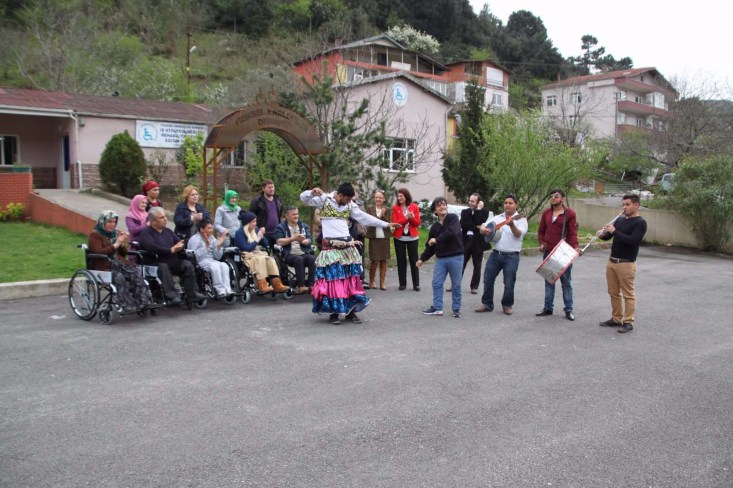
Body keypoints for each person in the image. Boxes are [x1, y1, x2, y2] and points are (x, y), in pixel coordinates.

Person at [301, 182, 400, 325]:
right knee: (333, 281)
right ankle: (334, 313)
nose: (349, 202)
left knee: (351, 281)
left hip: (348, 247)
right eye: (347, 199)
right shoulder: (324, 200)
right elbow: (303, 198)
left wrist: (385, 224)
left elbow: (364, 217)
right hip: (332, 248)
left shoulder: (349, 205)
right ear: (340, 195)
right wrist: (311, 192)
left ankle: (351, 312)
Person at [598, 194, 648, 333]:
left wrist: (615, 231)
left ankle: (628, 321)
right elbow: (609, 236)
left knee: (628, 294)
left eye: (627, 204)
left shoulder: (640, 223)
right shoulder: (619, 220)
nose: (624, 207)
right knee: (613, 292)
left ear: (636, 205)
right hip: (612, 261)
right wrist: (602, 234)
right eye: (623, 204)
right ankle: (616, 318)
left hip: (626, 263)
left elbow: (632, 240)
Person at [138, 207, 206, 307]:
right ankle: (172, 295)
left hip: (172, 261)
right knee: (163, 267)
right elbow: (152, 246)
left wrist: (180, 246)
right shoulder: (146, 233)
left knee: (187, 265)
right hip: (155, 263)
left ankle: (193, 293)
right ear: (153, 221)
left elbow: (179, 242)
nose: (165, 219)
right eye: (161, 217)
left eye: (165, 216)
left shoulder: (168, 231)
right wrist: (170, 250)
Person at [475, 194, 528, 316]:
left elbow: (518, 234)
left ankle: (507, 305)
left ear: (516, 205)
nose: (507, 205)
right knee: (488, 279)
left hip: (512, 256)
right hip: (495, 254)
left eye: (510, 203)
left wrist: (512, 225)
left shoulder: (521, 220)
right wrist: (482, 229)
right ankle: (487, 304)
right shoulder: (498, 217)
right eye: (505, 203)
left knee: (509, 283)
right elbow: (483, 226)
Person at [88, 210, 151, 311]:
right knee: (119, 277)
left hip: (119, 264)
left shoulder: (114, 233)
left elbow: (123, 254)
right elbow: (98, 252)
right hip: (104, 266)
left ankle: (143, 301)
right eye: (109, 222)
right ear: (103, 222)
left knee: (135, 273)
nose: (112, 224)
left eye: (114, 222)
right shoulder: (95, 235)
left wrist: (122, 243)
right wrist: (116, 244)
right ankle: (126, 304)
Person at [536, 188, 580, 321]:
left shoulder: (569, 213)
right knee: (549, 281)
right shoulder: (546, 213)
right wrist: (542, 243)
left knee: (566, 283)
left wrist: (575, 246)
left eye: (556, 196)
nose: (553, 198)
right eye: (551, 196)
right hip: (549, 251)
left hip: (563, 252)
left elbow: (572, 232)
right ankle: (548, 308)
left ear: (563, 199)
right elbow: (541, 231)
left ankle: (569, 309)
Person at [416, 197, 464, 318]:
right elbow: (430, 246)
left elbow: (452, 232)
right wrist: (422, 259)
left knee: (456, 285)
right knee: (437, 283)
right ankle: (438, 308)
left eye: (444, 204)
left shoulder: (453, 218)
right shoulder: (434, 227)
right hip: (441, 259)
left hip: (456, 257)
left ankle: (456, 309)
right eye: (439, 206)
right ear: (435, 211)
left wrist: (437, 239)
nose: (442, 207)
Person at [232, 211, 290, 294]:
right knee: (260, 259)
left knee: (269, 259)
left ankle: (277, 284)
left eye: (255, 221)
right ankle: (262, 284)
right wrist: (258, 238)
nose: (255, 223)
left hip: (257, 254)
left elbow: (266, 244)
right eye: (253, 221)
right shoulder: (239, 233)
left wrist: (262, 235)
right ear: (247, 223)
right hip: (246, 256)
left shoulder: (255, 229)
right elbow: (247, 248)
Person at [187, 218, 234, 300]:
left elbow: (217, 257)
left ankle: (227, 289)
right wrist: (206, 246)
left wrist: (218, 246)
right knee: (215, 266)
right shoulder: (195, 239)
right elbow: (195, 256)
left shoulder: (212, 238)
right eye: (209, 228)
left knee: (224, 265)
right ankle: (219, 290)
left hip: (211, 260)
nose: (211, 230)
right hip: (200, 261)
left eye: (211, 228)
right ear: (202, 229)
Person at [274, 206, 316, 294]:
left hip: (303, 252)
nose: (296, 216)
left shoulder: (303, 226)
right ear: (287, 216)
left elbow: (309, 239)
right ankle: (301, 286)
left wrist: (304, 241)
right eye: (293, 214)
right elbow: (279, 241)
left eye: (297, 214)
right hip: (289, 254)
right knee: (299, 259)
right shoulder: (281, 227)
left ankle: (312, 285)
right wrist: (293, 238)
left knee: (313, 259)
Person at [459, 192, 490, 294]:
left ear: (478, 202)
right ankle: (456, 284)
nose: (470, 203)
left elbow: (480, 221)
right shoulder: (464, 212)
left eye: (473, 201)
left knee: (477, 265)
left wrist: (478, 210)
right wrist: (476, 227)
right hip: (466, 240)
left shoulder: (484, 212)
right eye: (470, 201)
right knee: (461, 263)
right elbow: (463, 225)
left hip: (478, 242)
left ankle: (474, 286)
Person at [391, 187, 421, 291]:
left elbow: (417, 223)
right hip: (399, 238)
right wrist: (407, 218)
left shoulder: (414, 207)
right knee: (401, 261)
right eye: (398, 196)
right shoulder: (395, 208)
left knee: (414, 260)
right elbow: (396, 222)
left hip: (413, 238)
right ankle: (402, 283)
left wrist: (411, 218)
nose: (399, 198)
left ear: (406, 196)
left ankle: (416, 284)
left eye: (401, 196)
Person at [365, 189, 392, 290]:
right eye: (376, 197)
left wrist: (383, 215)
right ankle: (372, 281)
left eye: (380, 197)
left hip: (384, 237)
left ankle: (382, 282)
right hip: (374, 237)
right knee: (374, 260)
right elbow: (371, 221)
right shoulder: (370, 209)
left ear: (384, 199)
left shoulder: (387, 209)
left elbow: (388, 223)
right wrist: (380, 215)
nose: (378, 199)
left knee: (383, 260)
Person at [249, 179, 283, 248]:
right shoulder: (257, 201)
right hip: (263, 233)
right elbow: (250, 217)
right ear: (263, 189)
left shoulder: (278, 200)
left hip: (276, 233)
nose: (271, 189)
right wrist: (256, 230)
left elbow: (280, 215)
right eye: (269, 188)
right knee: (265, 252)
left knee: (278, 252)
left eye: (272, 187)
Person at [125, 194, 148, 262]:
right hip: (135, 246)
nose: (144, 205)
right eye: (142, 202)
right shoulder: (129, 216)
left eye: (145, 203)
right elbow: (133, 230)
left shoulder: (146, 215)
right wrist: (146, 225)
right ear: (136, 202)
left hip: (146, 244)